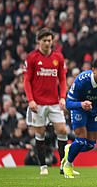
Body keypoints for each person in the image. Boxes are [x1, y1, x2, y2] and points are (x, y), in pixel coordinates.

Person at [62, 57, 97, 178]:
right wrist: (81, 104)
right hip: (80, 109)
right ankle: (67, 165)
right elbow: (68, 103)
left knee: (90, 145)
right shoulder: (82, 81)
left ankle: (69, 149)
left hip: (96, 109)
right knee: (81, 139)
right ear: (93, 70)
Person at [23, 28, 68, 175]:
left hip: (54, 102)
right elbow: (27, 81)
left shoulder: (58, 57)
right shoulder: (32, 58)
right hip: (38, 103)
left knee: (62, 130)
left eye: (50, 40)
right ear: (39, 41)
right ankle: (43, 166)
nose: (48, 43)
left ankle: (63, 165)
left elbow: (62, 79)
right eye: (45, 40)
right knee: (40, 133)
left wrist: (62, 97)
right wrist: (30, 100)